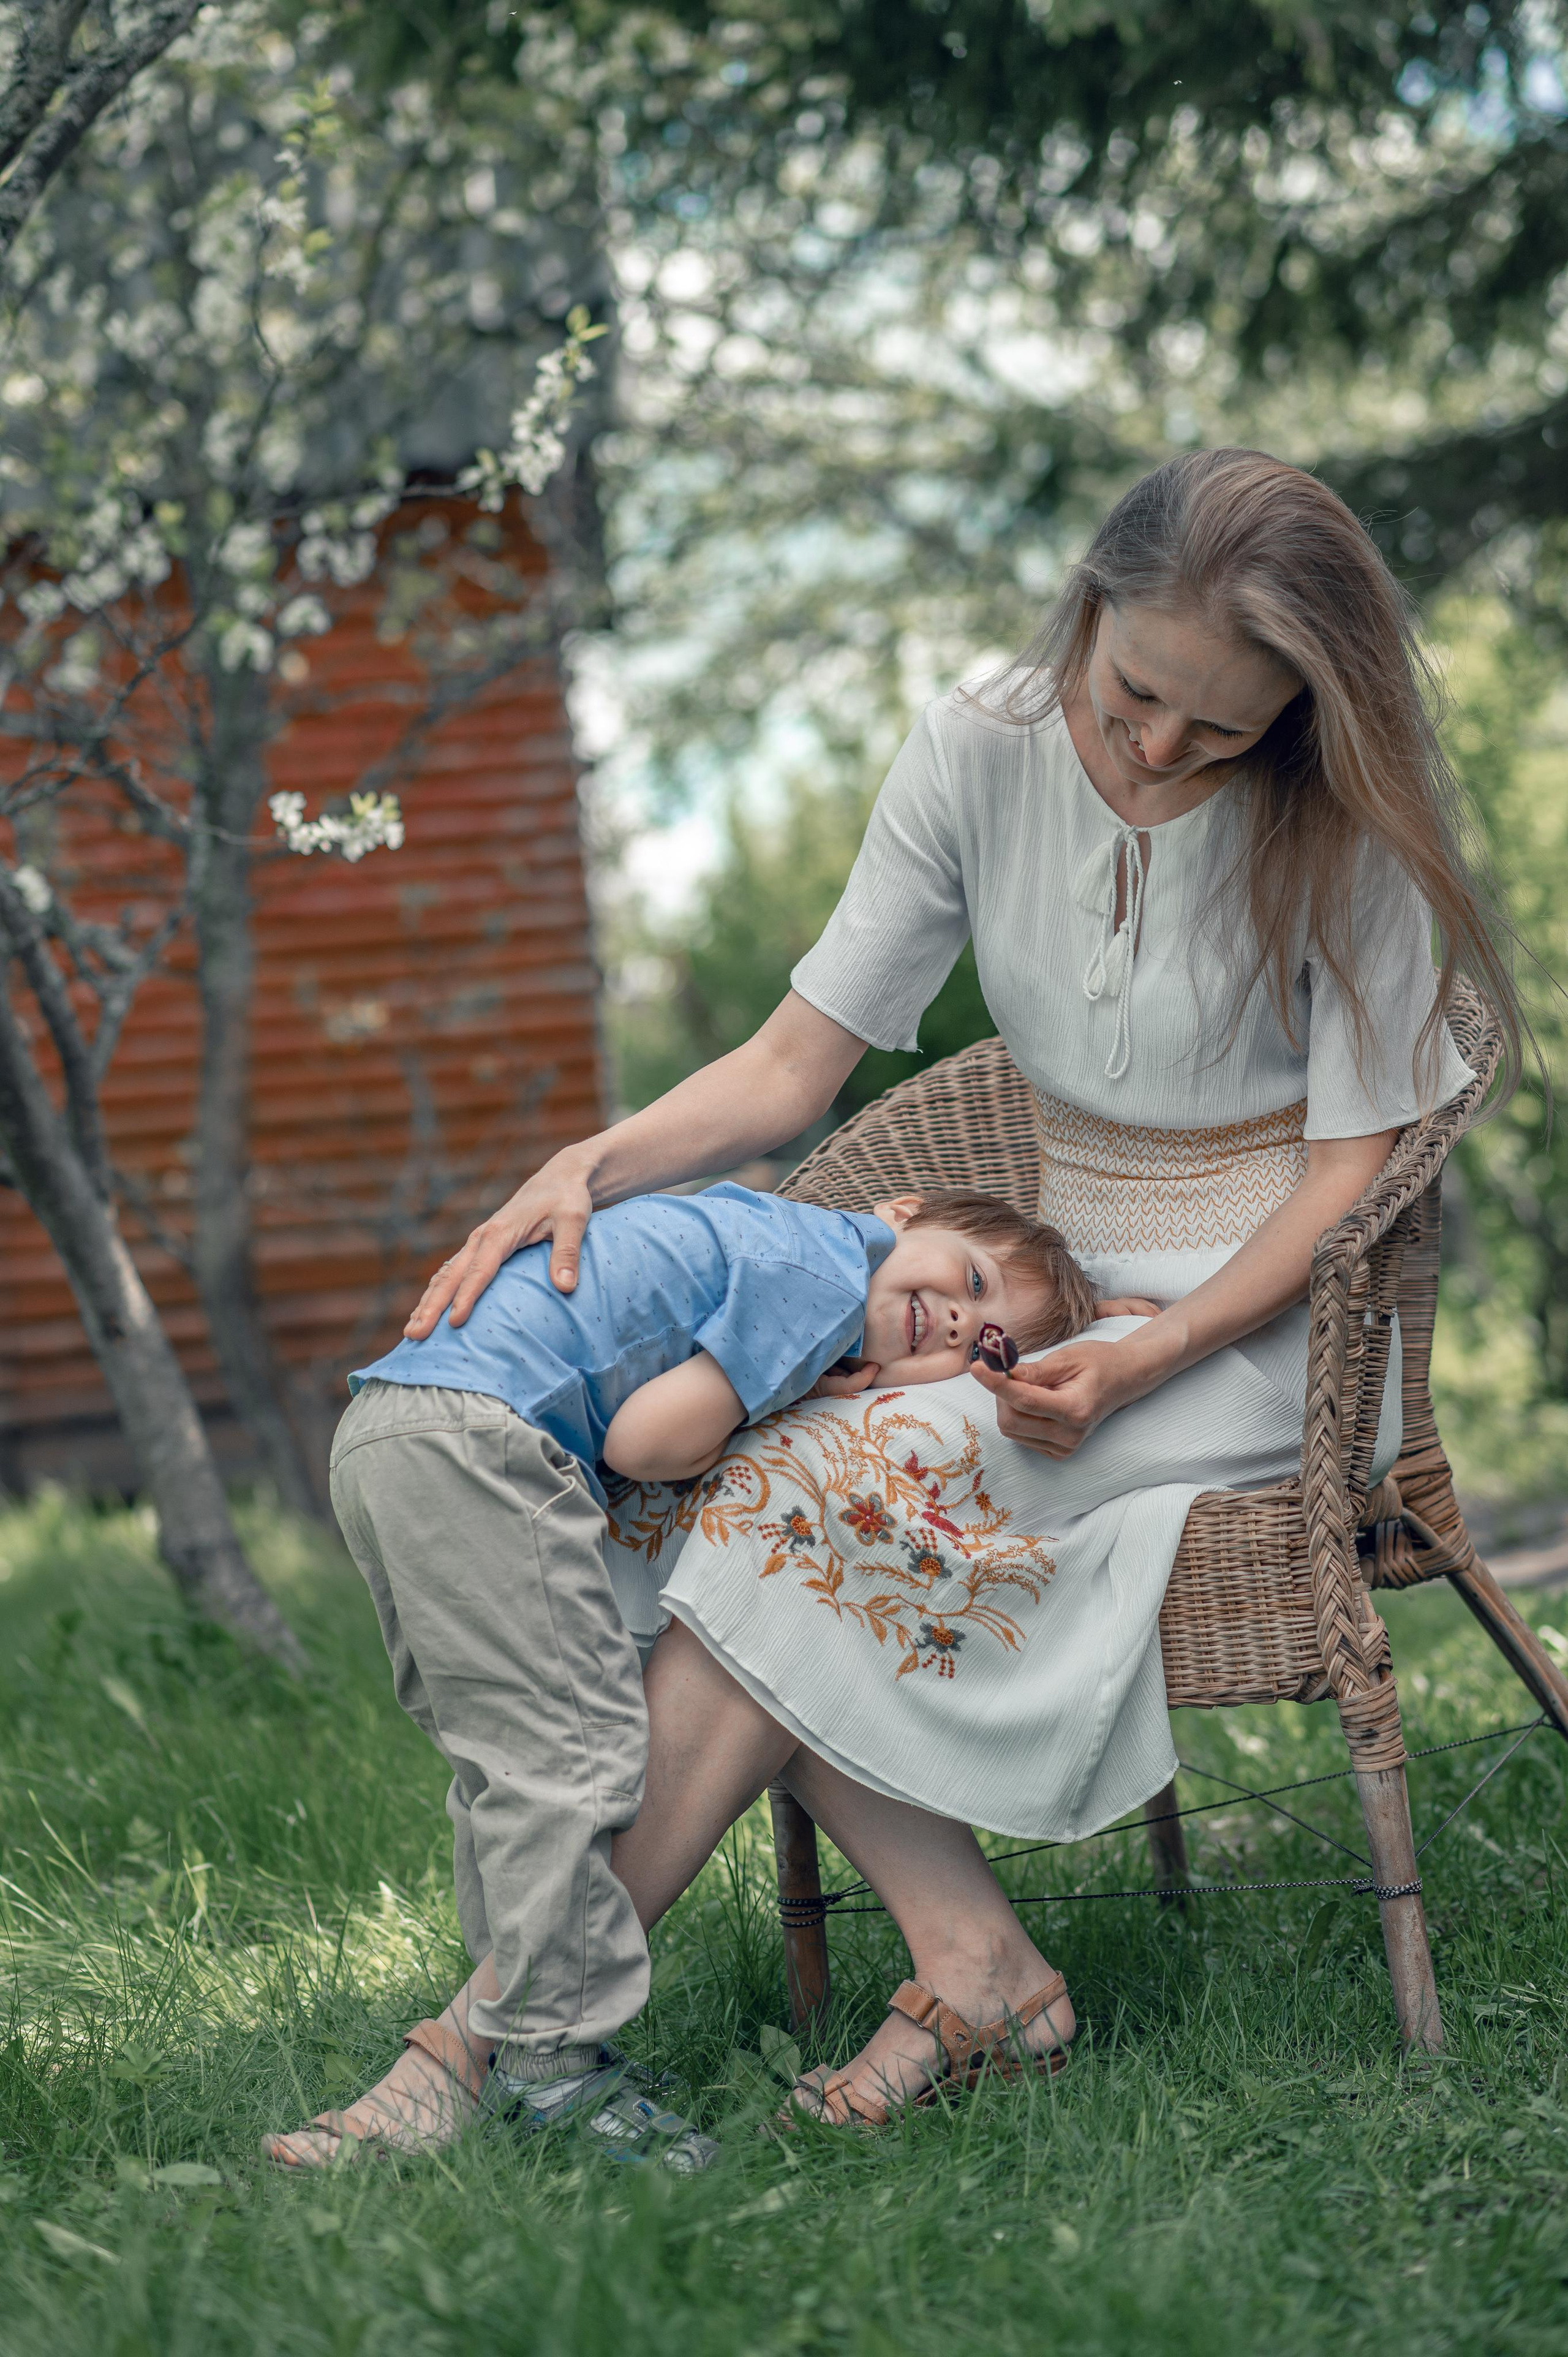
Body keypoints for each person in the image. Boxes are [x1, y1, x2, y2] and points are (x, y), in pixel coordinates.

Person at [275, 446, 1522, 2149]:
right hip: (1059, 1286)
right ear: (1085, 612)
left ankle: (473, 2057)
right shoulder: (979, 746)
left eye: (1220, 728)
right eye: (1133, 694)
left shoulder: (1343, 831)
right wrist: (583, 1167)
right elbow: (798, 1064)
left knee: (794, 1480)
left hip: (1265, 1331)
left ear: (1304, 712)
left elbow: (1343, 1180)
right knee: (741, 1478)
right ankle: (971, 1961)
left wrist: (1147, 1351)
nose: (1157, 751)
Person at [264, 1182, 1131, 2166]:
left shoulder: (763, 1235)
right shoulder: (817, 1279)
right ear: (902, 1209)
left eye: (976, 1341)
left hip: (387, 1430)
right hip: (483, 1448)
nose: (959, 1318)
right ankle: (549, 2066)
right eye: (970, 1280)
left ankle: (487, 2039)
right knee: (574, 1765)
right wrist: (797, 1388)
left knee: (505, 1770)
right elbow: (649, 1441)